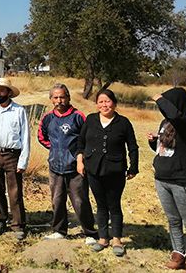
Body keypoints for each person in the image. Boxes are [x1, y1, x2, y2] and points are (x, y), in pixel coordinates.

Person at [76, 89, 138, 257]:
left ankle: (117, 239)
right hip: (93, 169)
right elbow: (80, 143)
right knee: (100, 205)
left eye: (107, 101)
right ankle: (103, 238)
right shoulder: (90, 120)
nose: (104, 105)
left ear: (114, 103)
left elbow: (132, 147)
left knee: (114, 204)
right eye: (101, 102)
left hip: (115, 171)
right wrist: (80, 161)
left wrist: (133, 167)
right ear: (97, 104)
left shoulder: (123, 123)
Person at [148, 88, 186, 272]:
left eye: (168, 102)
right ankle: (179, 252)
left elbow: (176, 116)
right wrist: (153, 141)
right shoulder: (166, 122)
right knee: (173, 220)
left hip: (182, 181)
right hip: (162, 179)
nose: (164, 106)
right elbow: (163, 149)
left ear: (177, 104)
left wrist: (158, 98)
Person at [38, 83, 98, 243]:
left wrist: (78, 156)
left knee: (80, 201)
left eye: (62, 97)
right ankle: (60, 230)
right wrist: (56, 149)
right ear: (51, 99)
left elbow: (87, 139)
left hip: (75, 168)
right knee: (57, 200)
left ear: (68, 97)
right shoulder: (47, 118)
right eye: (56, 97)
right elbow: (41, 136)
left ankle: (90, 233)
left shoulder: (78, 116)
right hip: (55, 167)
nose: (59, 100)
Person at [0, 77, 30, 241]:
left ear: (9, 93)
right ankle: (0, 221)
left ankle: (18, 224)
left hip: (12, 155)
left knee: (15, 191)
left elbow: (25, 137)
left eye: (3, 90)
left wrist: (23, 161)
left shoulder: (19, 111)